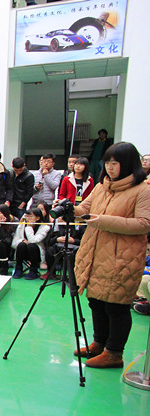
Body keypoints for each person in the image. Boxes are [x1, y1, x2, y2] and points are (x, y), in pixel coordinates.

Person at [73, 142, 150, 369]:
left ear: (128, 164)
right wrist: (70, 209)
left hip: (122, 257)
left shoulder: (142, 190)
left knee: (116, 305)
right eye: (107, 162)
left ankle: (114, 352)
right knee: (96, 301)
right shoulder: (101, 187)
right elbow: (84, 210)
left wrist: (103, 221)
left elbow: (144, 223)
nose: (110, 167)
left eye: (115, 163)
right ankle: (99, 343)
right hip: (95, 253)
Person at [11, 208, 50, 280]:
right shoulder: (21, 226)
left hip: (36, 253)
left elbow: (33, 240)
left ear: (38, 218)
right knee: (21, 244)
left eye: (30, 216)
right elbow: (13, 244)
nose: (28, 218)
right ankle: (18, 268)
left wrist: (29, 227)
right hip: (23, 251)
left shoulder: (45, 227)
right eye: (26, 216)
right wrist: (22, 240)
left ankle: (33, 270)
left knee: (31, 246)